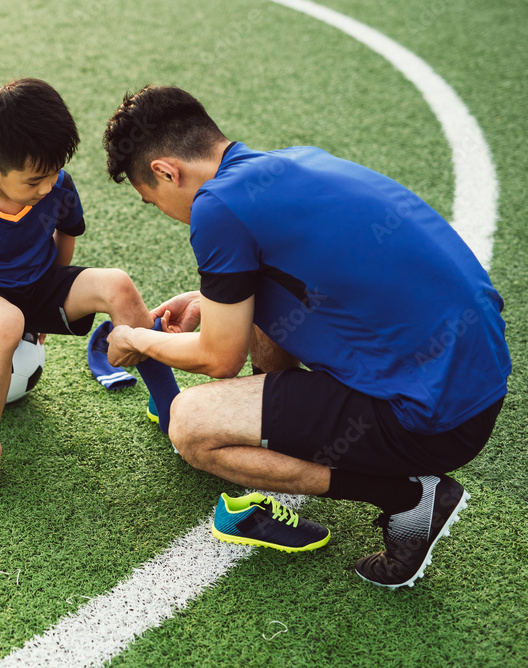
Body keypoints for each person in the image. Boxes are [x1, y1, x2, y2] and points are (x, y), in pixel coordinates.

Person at [101, 85, 510, 587]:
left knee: (189, 425)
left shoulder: (216, 207)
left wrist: (134, 340)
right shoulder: (293, 162)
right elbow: (305, 276)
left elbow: (218, 357)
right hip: (475, 384)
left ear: (167, 171)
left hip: (430, 420)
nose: (162, 209)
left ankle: (408, 496)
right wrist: (208, 300)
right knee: (254, 308)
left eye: (152, 199)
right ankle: (287, 426)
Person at [0, 78, 179, 511]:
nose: (48, 187)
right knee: (5, 321)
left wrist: (51, 303)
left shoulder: (58, 186)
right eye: (35, 180)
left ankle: (168, 405)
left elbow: (65, 237)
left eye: (55, 173)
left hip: (35, 285)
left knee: (117, 284)